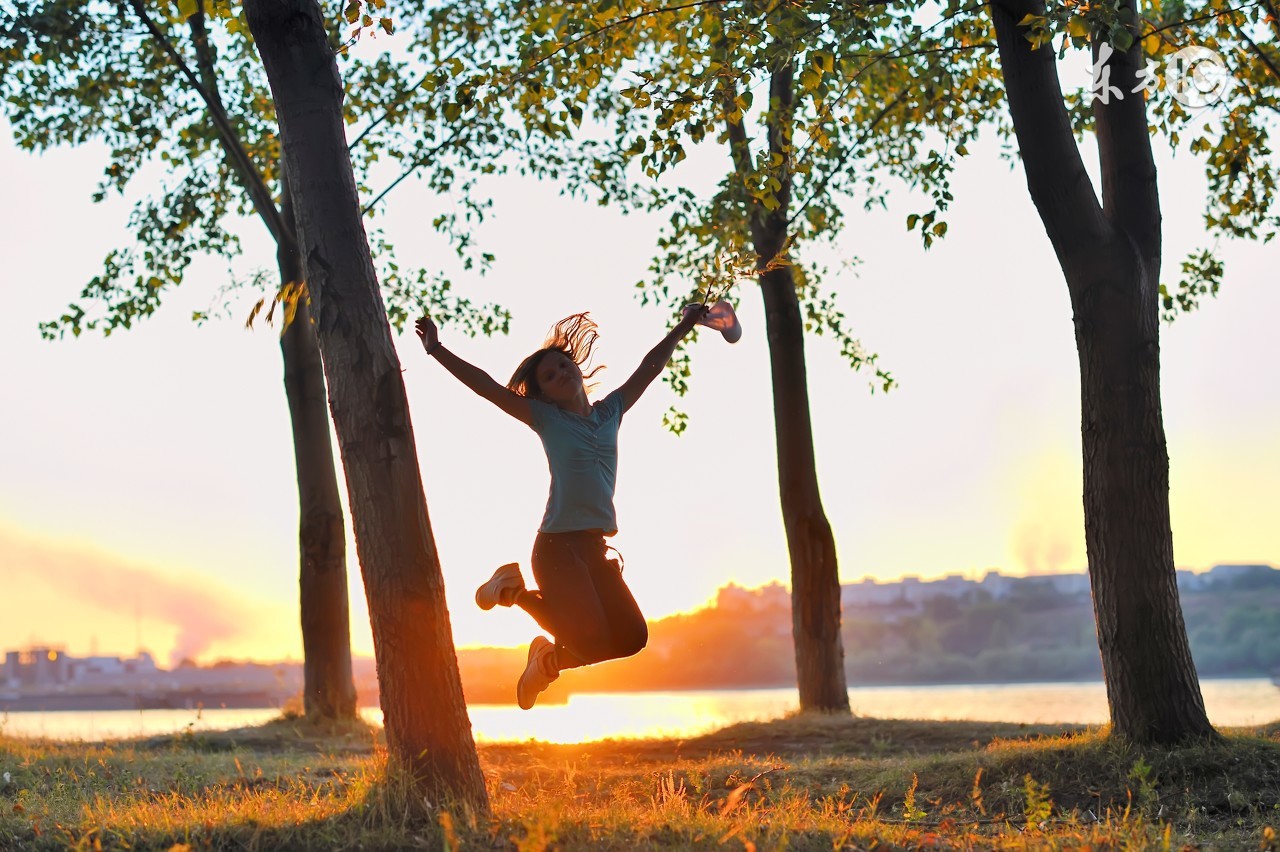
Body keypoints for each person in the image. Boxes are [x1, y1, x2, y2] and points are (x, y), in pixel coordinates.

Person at [415, 306, 711, 709]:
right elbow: (487, 388)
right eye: (550, 377)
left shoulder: (611, 411)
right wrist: (437, 350)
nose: (560, 374)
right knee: (589, 638)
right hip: (557, 548)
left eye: (562, 366)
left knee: (631, 638)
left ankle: (547, 659)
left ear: (576, 367)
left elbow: (650, 367)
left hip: (594, 548)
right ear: (544, 395)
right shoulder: (545, 418)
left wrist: (684, 326)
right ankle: (513, 592)